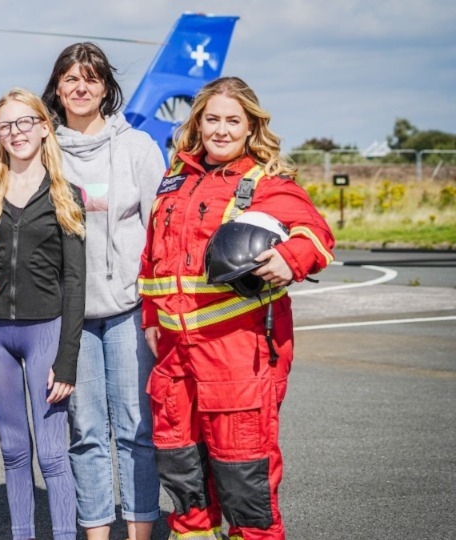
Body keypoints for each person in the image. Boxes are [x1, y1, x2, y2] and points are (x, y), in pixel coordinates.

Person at [0, 42, 165, 540]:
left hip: (124, 308)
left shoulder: (137, 149)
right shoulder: (43, 145)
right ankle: (95, 530)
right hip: (61, 318)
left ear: (106, 88)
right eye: (71, 79)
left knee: (134, 431)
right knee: (85, 434)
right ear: (56, 88)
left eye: (92, 79)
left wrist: (159, 311)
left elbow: (162, 233)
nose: (81, 88)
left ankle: (139, 531)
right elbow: (11, 220)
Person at [137, 76, 335, 539]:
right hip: (174, 361)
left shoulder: (264, 184)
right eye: (213, 119)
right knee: (184, 482)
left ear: (250, 128)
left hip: (238, 358)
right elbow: (151, 262)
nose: (221, 130)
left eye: (233, 121)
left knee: (245, 487)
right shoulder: (175, 182)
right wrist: (151, 318)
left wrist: (291, 258)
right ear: (198, 123)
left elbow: (316, 236)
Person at [0, 88, 86, 540]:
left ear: (44, 126)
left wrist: (67, 360)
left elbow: (75, 283)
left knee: (52, 455)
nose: (16, 133)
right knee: (13, 451)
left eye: (25, 122)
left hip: (46, 332)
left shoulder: (66, 195)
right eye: (6, 125)